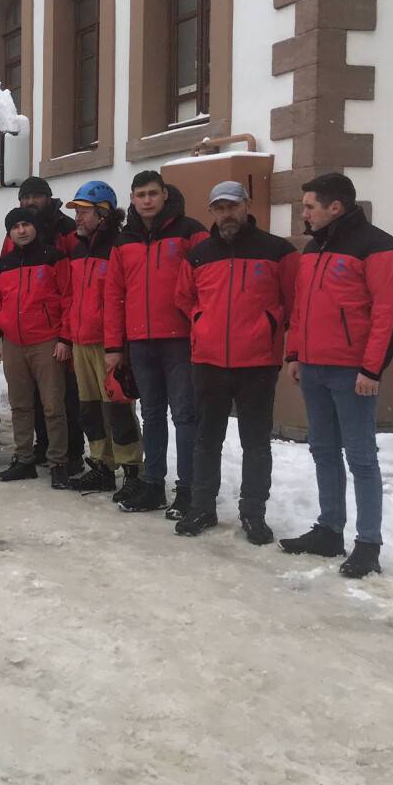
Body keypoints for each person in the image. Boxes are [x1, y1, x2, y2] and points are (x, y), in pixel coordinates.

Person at [279, 173, 393, 578]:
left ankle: (368, 543)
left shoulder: (380, 247)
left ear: (335, 207)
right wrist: (296, 353)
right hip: (315, 368)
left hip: (353, 373)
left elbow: (391, 312)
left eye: (309, 206)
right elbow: (302, 306)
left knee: (361, 458)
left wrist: (372, 368)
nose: (304, 213)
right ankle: (329, 530)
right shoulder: (315, 246)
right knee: (322, 449)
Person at [173, 182, 298, 544]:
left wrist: (268, 327)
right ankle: (202, 507)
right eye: (219, 208)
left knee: (255, 443)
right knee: (205, 439)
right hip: (208, 361)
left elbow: (293, 300)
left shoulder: (277, 251)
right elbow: (185, 299)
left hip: (257, 363)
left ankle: (253, 513)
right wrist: (202, 324)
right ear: (211, 212)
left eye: (232, 206)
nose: (226, 214)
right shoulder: (199, 255)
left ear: (246, 205)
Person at [104, 171, 208, 515]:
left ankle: (189, 489)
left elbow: (207, 286)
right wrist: (114, 346)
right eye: (140, 195)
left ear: (165, 195)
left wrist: (199, 329)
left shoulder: (191, 232)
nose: (147, 200)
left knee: (184, 416)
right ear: (132, 199)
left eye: (152, 194)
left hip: (179, 341)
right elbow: (115, 294)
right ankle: (153, 484)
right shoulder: (124, 241)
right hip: (140, 342)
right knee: (151, 416)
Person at [63, 181, 143, 496]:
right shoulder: (79, 247)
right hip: (82, 341)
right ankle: (102, 466)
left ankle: (133, 470)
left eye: (84, 212)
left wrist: (118, 346)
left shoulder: (119, 248)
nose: (78, 218)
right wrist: (68, 336)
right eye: (77, 212)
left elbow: (123, 300)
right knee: (90, 409)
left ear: (104, 214)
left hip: (109, 346)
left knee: (119, 409)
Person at [0, 207, 73, 487]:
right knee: (20, 405)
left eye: (26, 225)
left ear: (35, 227)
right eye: (15, 226)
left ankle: (59, 462)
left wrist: (64, 338)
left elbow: (67, 298)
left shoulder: (54, 259)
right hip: (12, 342)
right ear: (9, 233)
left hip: (46, 341)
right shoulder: (5, 265)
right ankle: (24, 459)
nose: (21, 230)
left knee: (52, 406)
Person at [1, 177, 83, 473]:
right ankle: (39, 449)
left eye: (37, 196)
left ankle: (70, 455)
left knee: (61, 399)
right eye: (26, 197)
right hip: (19, 333)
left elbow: (73, 281)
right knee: (29, 399)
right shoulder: (13, 234)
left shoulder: (65, 229)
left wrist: (67, 333)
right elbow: (3, 284)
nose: (31, 202)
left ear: (48, 198)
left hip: (55, 331)